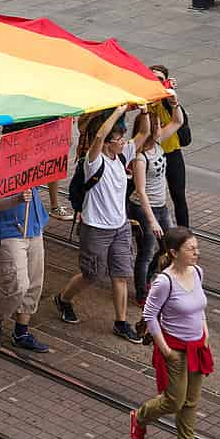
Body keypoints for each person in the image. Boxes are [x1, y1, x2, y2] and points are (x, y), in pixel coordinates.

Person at [55, 104, 150, 342]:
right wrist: (118, 111)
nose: (124, 142)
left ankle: (120, 322)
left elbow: (144, 134)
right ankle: (63, 299)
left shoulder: (122, 156)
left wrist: (145, 111)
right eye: (118, 139)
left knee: (121, 275)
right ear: (108, 143)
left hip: (120, 227)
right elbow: (98, 136)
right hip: (96, 228)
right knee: (91, 274)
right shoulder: (94, 161)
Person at [130, 228, 212, 439]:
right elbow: (150, 315)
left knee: (191, 401)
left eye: (197, 247)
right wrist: (165, 350)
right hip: (174, 349)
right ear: (174, 252)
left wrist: (204, 331)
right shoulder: (164, 282)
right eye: (191, 249)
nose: (197, 252)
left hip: (198, 346)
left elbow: (199, 305)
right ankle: (140, 417)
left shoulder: (197, 272)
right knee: (174, 401)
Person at [0, 136, 50, 353]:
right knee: (17, 284)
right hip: (10, 229)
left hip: (34, 225)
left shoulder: (30, 156)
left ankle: (22, 330)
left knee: (34, 283)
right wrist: (18, 199)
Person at [129, 96, 185, 304]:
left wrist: (174, 103)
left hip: (160, 206)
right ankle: (141, 294)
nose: (162, 127)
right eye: (159, 125)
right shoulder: (140, 157)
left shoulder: (158, 143)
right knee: (147, 250)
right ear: (151, 130)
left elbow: (178, 122)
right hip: (144, 208)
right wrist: (151, 220)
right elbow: (141, 190)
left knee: (167, 244)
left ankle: (150, 278)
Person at [150, 65, 190, 227]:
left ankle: (184, 232)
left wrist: (170, 96)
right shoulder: (146, 98)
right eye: (152, 77)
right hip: (150, 153)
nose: (156, 81)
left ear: (166, 81)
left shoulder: (169, 100)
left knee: (178, 195)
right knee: (142, 193)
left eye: (159, 78)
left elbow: (180, 120)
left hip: (171, 153)